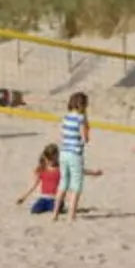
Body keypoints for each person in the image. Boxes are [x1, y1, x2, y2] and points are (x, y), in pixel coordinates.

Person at [56, 92, 90, 223]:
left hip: (63, 152)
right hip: (75, 153)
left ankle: (55, 214)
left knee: (63, 183)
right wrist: (86, 127)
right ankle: (71, 215)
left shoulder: (65, 117)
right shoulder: (80, 118)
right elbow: (85, 138)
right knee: (76, 186)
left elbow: (61, 135)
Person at [17, 144, 62, 216]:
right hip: (44, 197)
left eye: (54, 159)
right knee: (34, 210)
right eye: (50, 159)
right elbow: (34, 185)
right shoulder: (42, 169)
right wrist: (23, 197)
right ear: (46, 158)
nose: (52, 161)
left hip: (55, 198)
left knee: (55, 208)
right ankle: (37, 203)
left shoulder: (61, 168)